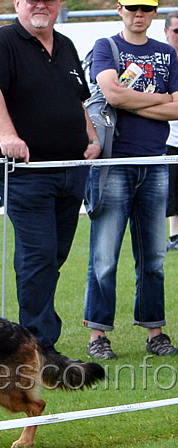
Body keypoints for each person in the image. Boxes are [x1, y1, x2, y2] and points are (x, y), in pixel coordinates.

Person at [0, 0, 101, 356]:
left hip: (70, 171)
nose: (40, 5)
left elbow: (78, 101)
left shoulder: (65, 45)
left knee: (53, 255)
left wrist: (92, 138)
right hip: (27, 173)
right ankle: (38, 345)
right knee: (39, 256)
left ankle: (32, 337)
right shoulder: (3, 42)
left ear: (59, 4)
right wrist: (7, 137)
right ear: (18, 4)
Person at [84, 0, 178, 359]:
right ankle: (97, 336)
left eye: (146, 9)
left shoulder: (167, 54)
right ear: (119, 10)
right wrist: (158, 99)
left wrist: (132, 101)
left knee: (154, 255)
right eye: (133, 8)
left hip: (154, 162)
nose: (139, 14)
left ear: (154, 14)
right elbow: (111, 94)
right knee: (104, 255)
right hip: (113, 163)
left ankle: (155, 332)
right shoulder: (105, 46)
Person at [164, 11, 178, 251]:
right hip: (169, 136)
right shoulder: (162, 61)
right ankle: (174, 236)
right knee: (171, 194)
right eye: (177, 31)